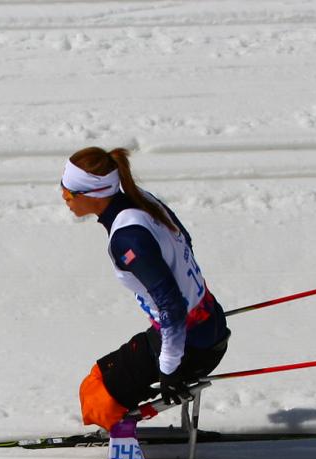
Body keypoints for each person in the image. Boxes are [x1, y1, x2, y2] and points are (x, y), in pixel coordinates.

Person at [62, 146, 231, 435]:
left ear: (94, 194)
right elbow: (184, 240)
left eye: (70, 192)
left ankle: (124, 450)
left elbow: (173, 307)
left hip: (190, 345)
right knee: (103, 376)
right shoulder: (141, 201)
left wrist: (169, 368)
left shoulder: (128, 239)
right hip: (208, 323)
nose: (64, 197)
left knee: (96, 395)